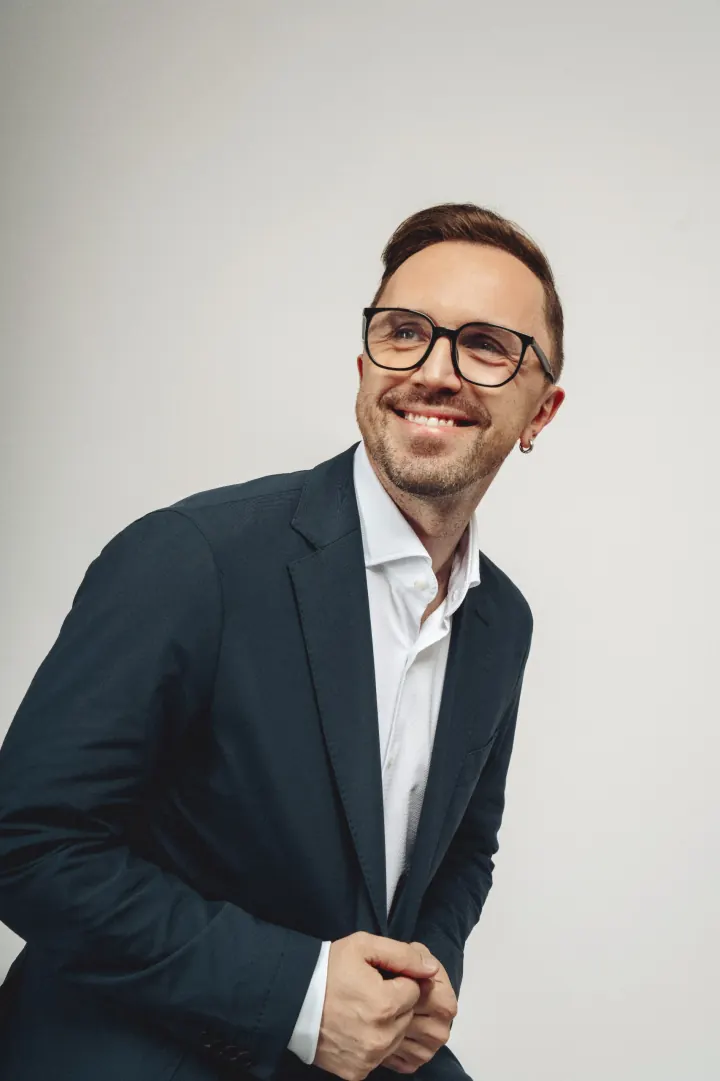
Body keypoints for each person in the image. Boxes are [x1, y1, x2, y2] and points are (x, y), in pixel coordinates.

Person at [0, 202, 565, 1081]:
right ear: (364, 365)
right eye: (405, 331)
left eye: (487, 345)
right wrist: (299, 992)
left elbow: (465, 848)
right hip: (127, 1035)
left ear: (542, 411)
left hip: (348, 1055)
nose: (434, 370)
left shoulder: (503, 621)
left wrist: (423, 973)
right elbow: (26, 838)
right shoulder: (193, 558)